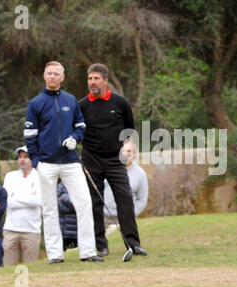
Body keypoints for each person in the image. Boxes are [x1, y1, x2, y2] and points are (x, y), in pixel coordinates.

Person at [24, 61, 103, 263]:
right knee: (49, 208)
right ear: (44, 76)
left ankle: (87, 251)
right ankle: (55, 254)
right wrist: (35, 161)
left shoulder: (70, 100)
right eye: (49, 73)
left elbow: (81, 125)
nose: (52, 76)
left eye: (56, 73)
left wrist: (74, 139)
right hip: (47, 163)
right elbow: (30, 135)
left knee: (84, 203)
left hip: (70, 161)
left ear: (62, 77)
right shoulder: (36, 103)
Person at [78, 63, 147, 257]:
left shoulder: (120, 103)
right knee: (95, 202)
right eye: (90, 79)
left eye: (96, 78)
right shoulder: (81, 105)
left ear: (105, 81)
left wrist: (127, 145)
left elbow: (129, 130)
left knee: (125, 199)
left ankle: (133, 244)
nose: (92, 82)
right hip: (91, 159)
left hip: (115, 159)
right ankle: (101, 245)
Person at [2, 146, 43, 266]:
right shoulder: (10, 176)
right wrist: (28, 198)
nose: (22, 160)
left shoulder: (39, 176)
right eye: (20, 157)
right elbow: (7, 201)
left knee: (30, 268)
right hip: (10, 229)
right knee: (7, 268)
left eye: (26, 157)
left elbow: (38, 201)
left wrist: (16, 198)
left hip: (31, 230)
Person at [103, 140, 149, 218]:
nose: (125, 154)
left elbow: (142, 200)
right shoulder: (108, 168)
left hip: (126, 217)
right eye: (122, 151)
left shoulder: (140, 174)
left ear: (133, 154)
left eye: (129, 151)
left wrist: (131, 213)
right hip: (104, 215)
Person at [57, 181, 78, 251]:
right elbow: (57, 204)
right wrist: (73, 206)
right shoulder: (61, 186)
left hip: (77, 231)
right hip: (64, 231)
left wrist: (63, 197)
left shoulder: (80, 184)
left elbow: (82, 204)